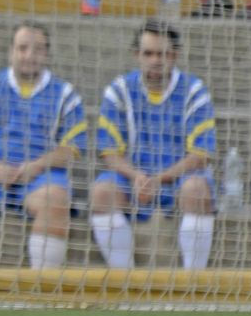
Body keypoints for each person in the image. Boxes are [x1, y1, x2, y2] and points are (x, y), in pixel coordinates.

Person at [0, 24, 86, 269]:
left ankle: (43, 290)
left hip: (42, 174)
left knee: (55, 202)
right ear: (11, 51)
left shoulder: (66, 94)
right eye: (22, 48)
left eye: (38, 49)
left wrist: (35, 166)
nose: (29, 55)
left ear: (47, 54)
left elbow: (72, 148)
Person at [89, 21, 217, 271]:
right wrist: (138, 177)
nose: (156, 60)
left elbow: (200, 155)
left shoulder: (194, 90)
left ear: (175, 55)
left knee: (197, 190)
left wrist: (157, 180)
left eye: (164, 54)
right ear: (137, 55)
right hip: (133, 178)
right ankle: (124, 281)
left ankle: (194, 282)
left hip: (179, 176)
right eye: (149, 53)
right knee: (101, 193)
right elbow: (110, 152)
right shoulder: (119, 91)